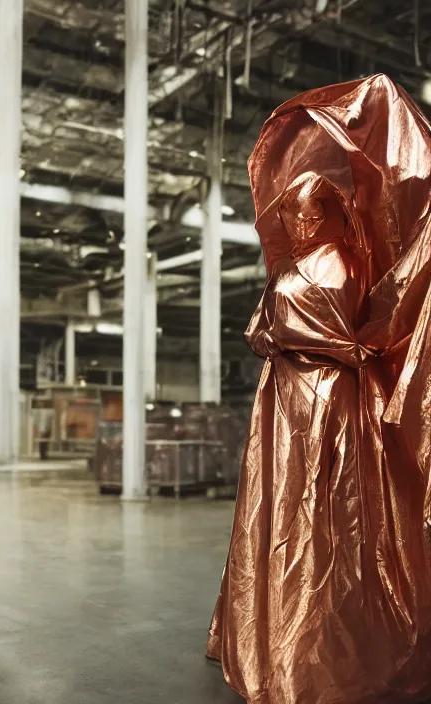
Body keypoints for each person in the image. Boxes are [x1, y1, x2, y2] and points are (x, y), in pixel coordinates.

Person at [207, 74, 431, 703]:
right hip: (288, 398)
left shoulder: (345, 263)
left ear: (329, 211)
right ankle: (277, 627)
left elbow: (314, 328)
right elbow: (260, 331)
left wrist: (316, 345)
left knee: (327, 513)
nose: (300, 221)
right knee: (288, 506)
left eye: (309, 211)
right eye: (294, 213)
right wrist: (294, 342)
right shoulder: (299, 267)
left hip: (327, 399)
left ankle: (320, 640)